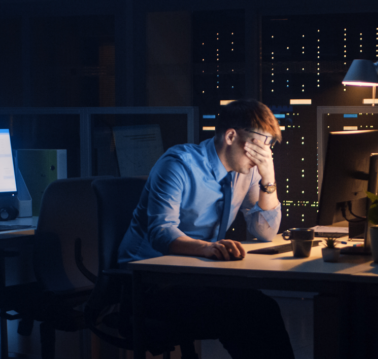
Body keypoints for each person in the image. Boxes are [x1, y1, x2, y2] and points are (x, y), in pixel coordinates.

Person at [118, 99, 295, 359]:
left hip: (194, 276)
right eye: (261, 144)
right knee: (245, 312)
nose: (265, 154)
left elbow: (265, 232)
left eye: (270, 146)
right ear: (232, 136)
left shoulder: (246, 171)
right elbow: (161, 232)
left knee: (262, 307)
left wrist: (269, 178)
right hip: (148, 283)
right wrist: (208, 248)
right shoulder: (178, 164)